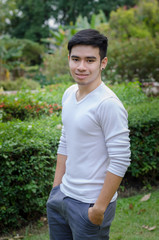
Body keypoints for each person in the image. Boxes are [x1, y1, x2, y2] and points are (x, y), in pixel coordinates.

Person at [46, 29, 131, 240]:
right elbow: (65, 141)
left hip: (90, 206)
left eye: (90, 60)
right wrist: (56, 189)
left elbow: (120, 159)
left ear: (103, 63)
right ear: (68, 59)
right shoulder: (69, 94)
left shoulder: (108, 104)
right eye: (76, 59)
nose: (81, 67)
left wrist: (98, 209)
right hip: (62, 197)